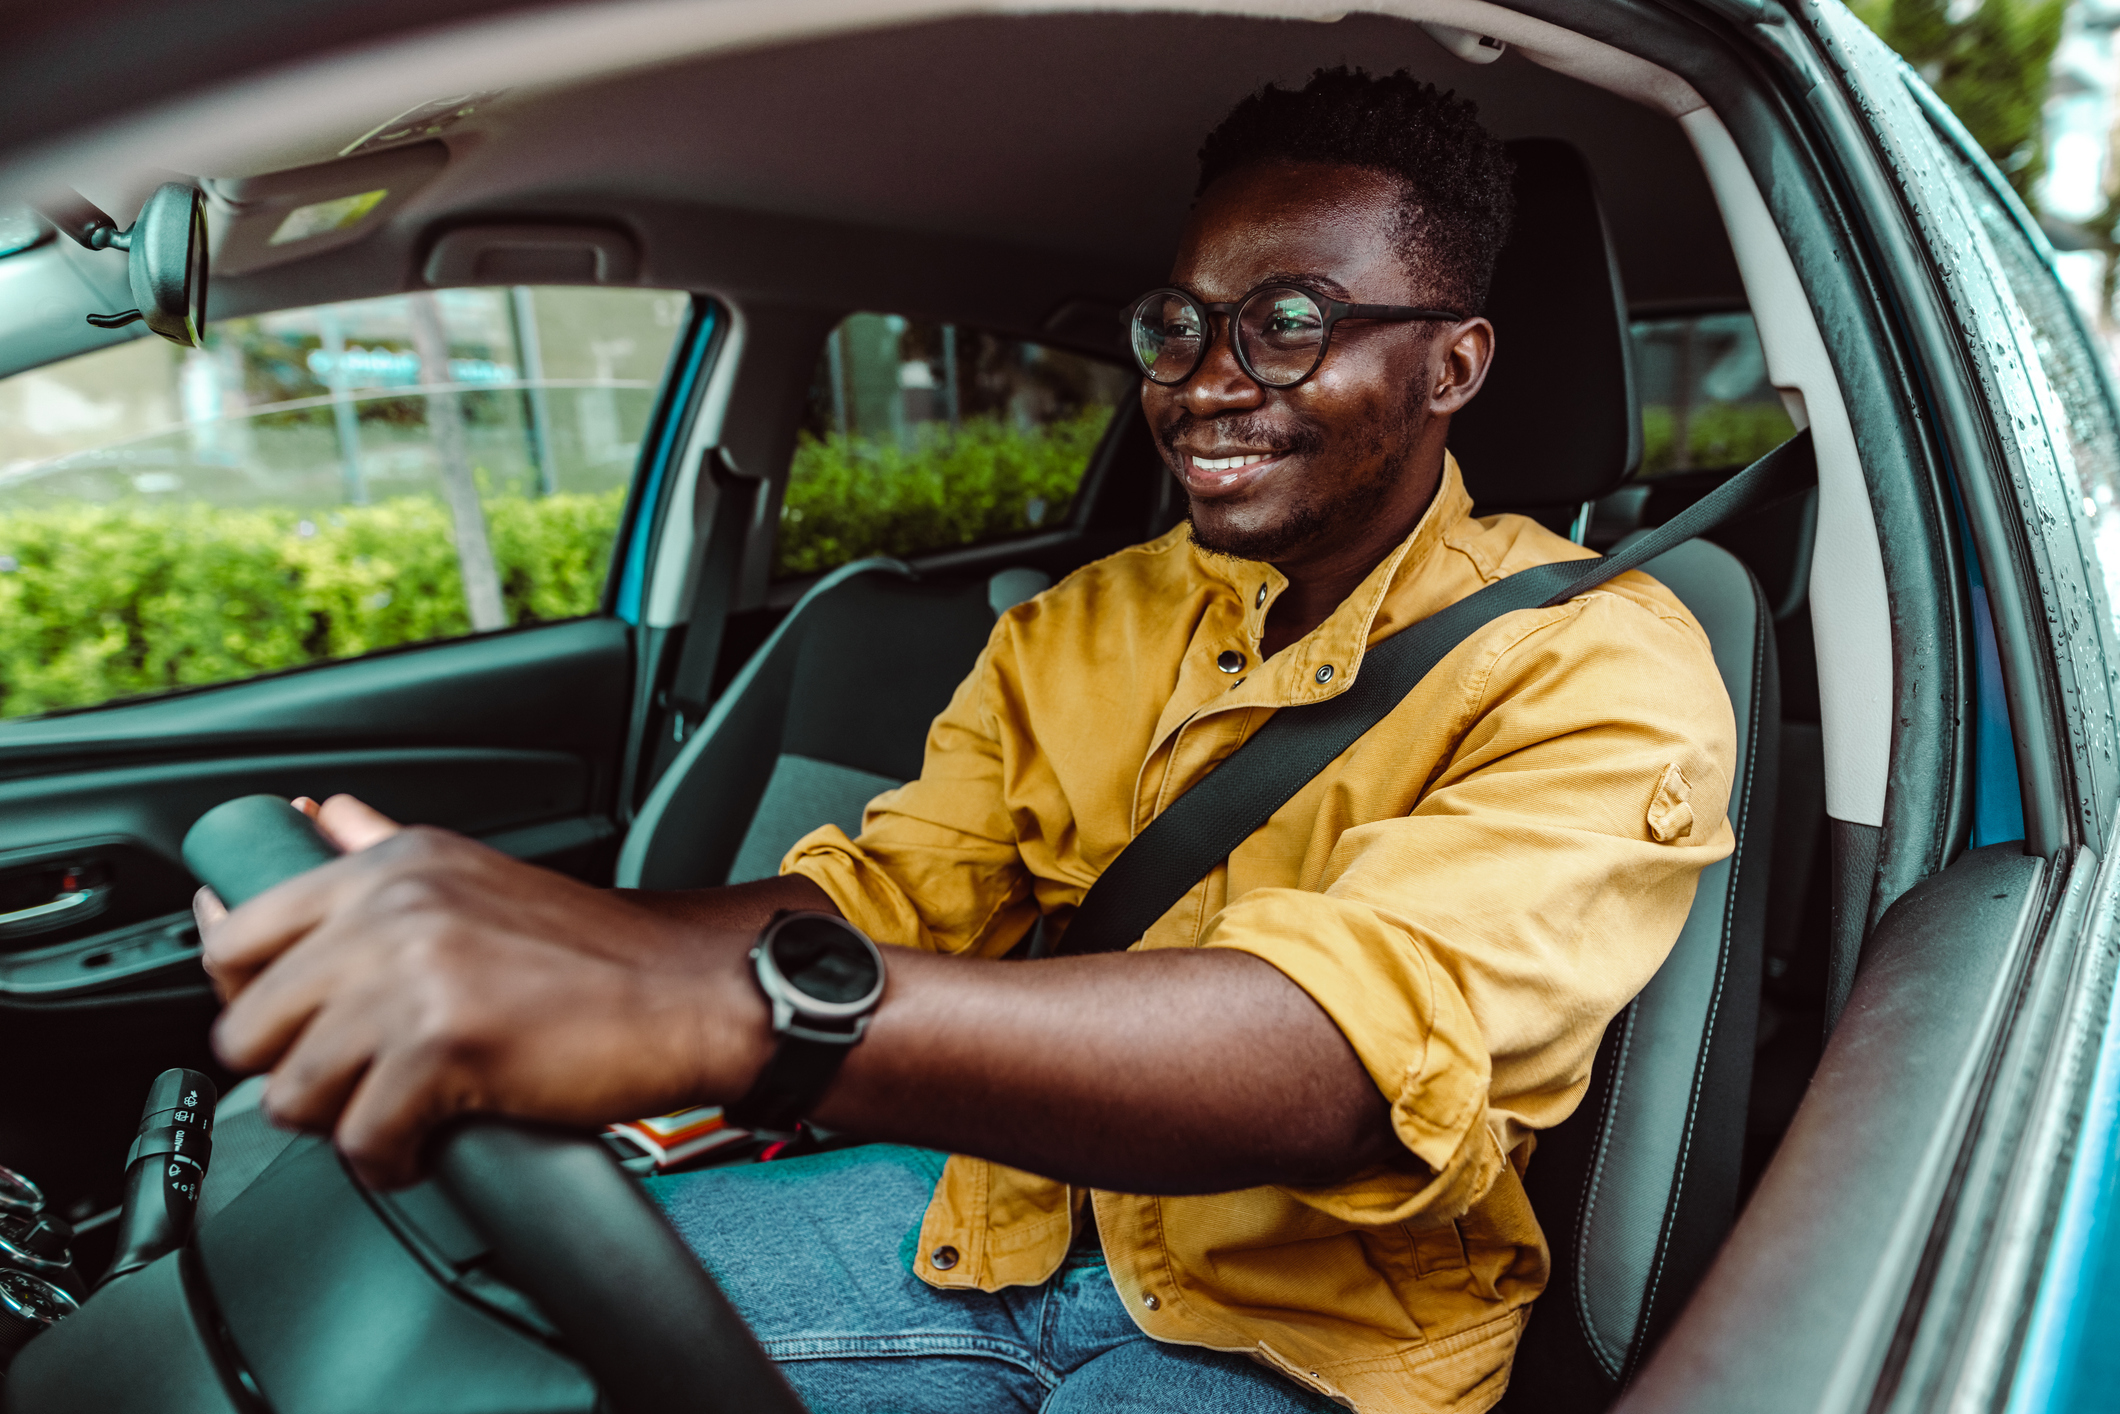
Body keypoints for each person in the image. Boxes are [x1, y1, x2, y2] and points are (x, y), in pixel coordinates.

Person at [197, 69, 1735, 1414]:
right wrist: (565, 939)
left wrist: (733, 1021)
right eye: (1179, 323)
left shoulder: (1600, 661)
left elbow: (1335, 1052)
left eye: (1287, 324)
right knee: (443, 1331)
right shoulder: (1078, 627)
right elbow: (875, 906)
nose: (1204, 380)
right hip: (991, 1220)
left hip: (1309, 1337)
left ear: (1451, 366)